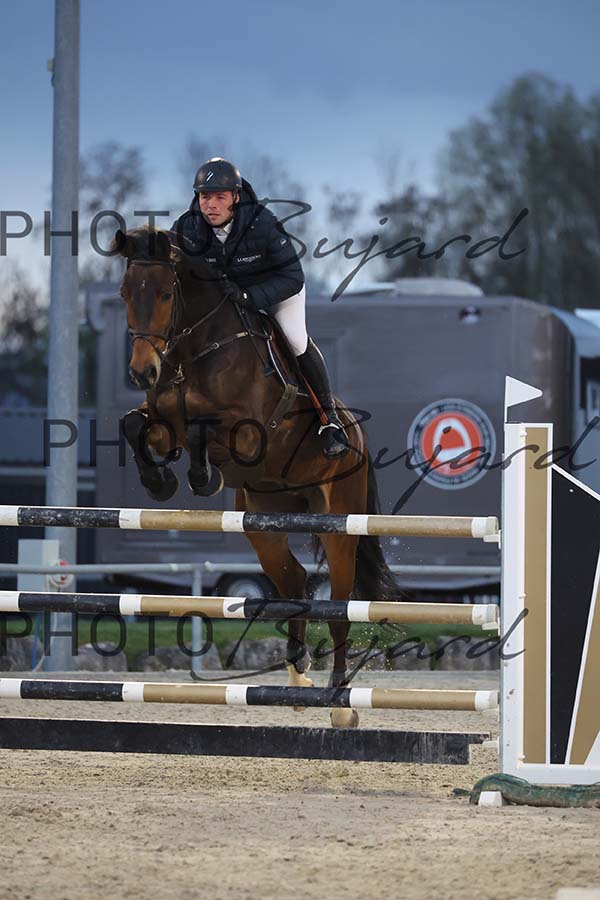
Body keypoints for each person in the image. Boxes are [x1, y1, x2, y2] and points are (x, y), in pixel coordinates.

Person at [171, 157, 349, 458]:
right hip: (225, 299)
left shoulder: (262, 222)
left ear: (235, 197)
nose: (210, 205)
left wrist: (247, 297)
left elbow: (292, 277)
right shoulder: (187, 227)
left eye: (219, 197)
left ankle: (328, 419)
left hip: (276, 290)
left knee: (294, 340)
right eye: (204, 197)